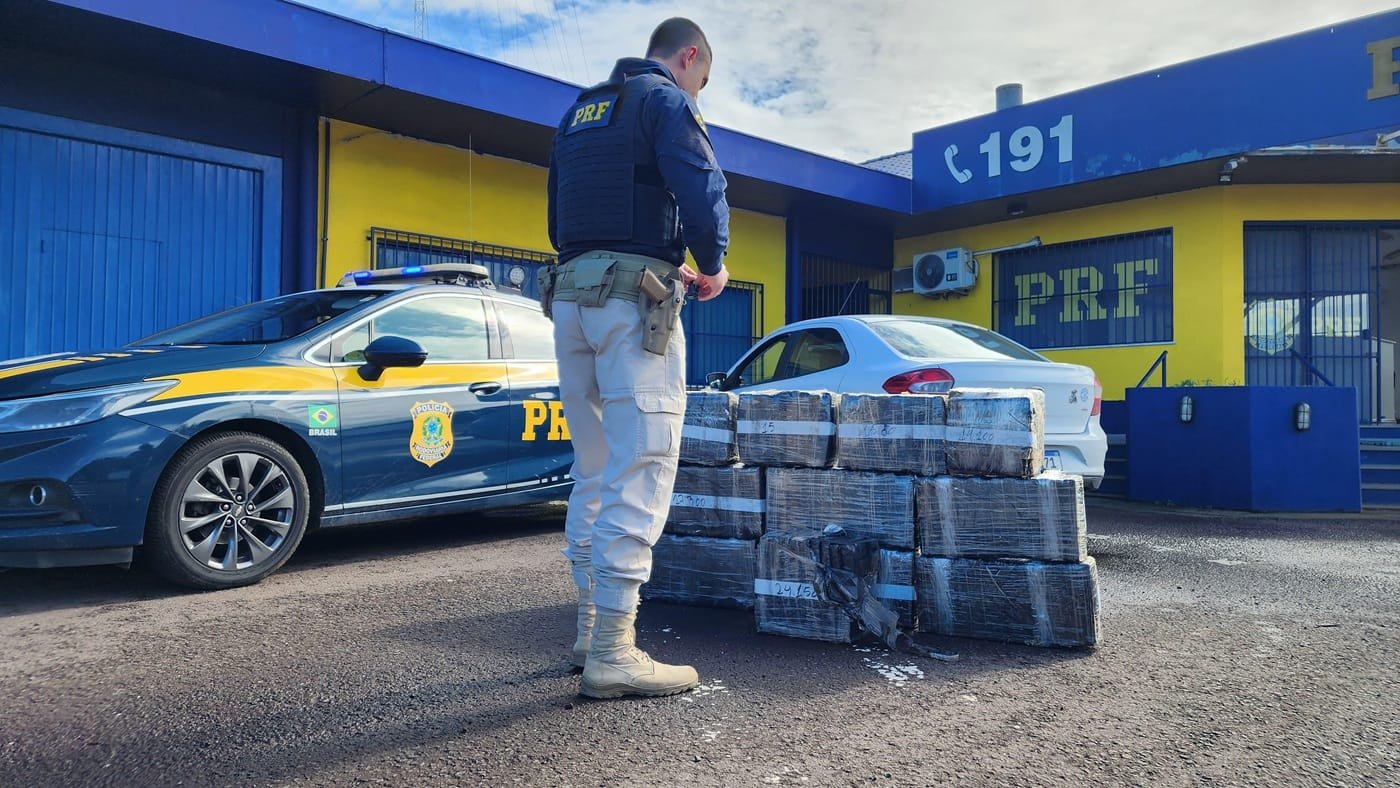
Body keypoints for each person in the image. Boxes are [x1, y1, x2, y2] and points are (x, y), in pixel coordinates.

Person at [542, 17, 730, 699]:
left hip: (571, 298)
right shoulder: (666, 102)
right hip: (633, 300)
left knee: (592, 466)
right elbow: (702, 189)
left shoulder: (579, 113)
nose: (697, 89)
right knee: (643, 459)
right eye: (701, 78)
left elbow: (557, 221)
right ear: (688, 58)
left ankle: (591, 631)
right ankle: (616, 652)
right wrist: (712, 263)